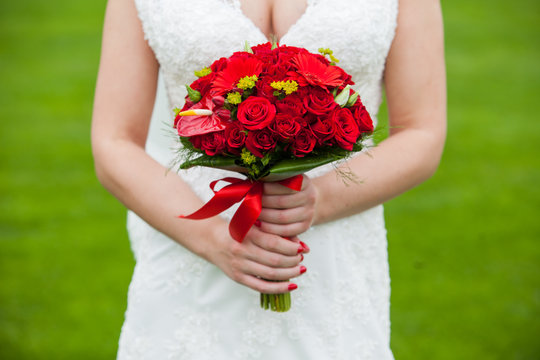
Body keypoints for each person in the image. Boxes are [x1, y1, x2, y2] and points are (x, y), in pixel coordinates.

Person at [91, 0, 446, 358]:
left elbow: (422, 131)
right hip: (189, 240)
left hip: (334, 259)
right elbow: (114, 141)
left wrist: (319, 201)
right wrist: (212, 238)